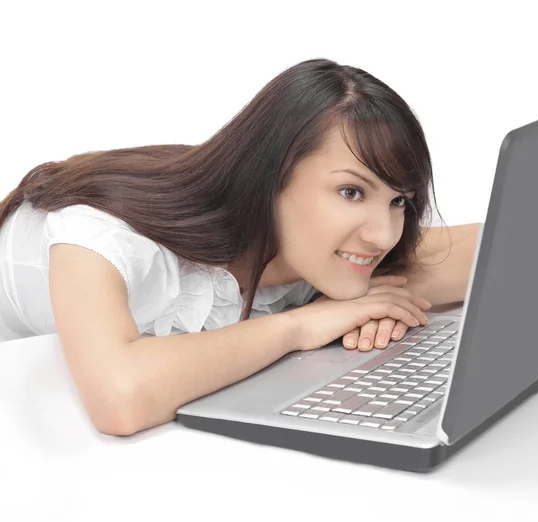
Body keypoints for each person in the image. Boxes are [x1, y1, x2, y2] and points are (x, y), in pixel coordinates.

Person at [0, 58, 480, 436]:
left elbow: (486, 251)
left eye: (399, 200)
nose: (383, 234)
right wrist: (301, 326)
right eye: (350, 192)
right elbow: (120, 399)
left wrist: (359, 306)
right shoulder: (106, 237)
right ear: (272, 178)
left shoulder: (310, 250)